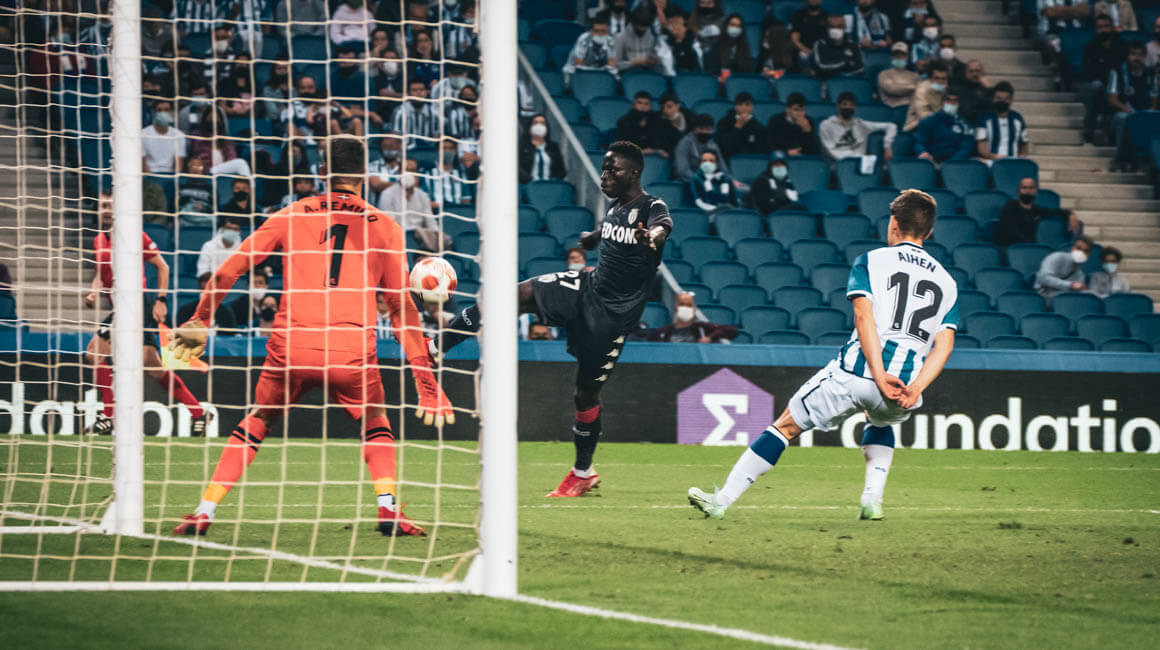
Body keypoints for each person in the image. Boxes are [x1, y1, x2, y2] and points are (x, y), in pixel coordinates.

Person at [169, 135, 453, 538]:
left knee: (259, 418)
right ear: (365, 175)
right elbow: (400, 309)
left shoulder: (291, 213)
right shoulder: (387, 227)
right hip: (351, 351)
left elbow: (230, 269)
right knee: (375, 417)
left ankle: (204, 510)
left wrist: (200, 319)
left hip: (292, 346)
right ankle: (388, 509)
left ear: (322, 172)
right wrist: (426, 383)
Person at [688, 189, 957, 522]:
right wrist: (916, 388)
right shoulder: (947, 282)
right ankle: (872, 500)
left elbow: (863, 317)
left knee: (785, 426)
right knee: (882, 421)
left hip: (857, 372)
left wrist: (877, 374)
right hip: (903, 386)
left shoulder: (872, 260)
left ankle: (722, 500)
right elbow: (944, 344)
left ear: (893, 223)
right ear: (929, 231)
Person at [433, 141, 672, 498]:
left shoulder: (651, 206)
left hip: (610, 318)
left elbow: (662, 226)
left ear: (634, 173)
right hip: (586, 288)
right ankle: (434, 348)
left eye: (613, 170)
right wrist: (592, 238)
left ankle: (583, 472)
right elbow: (610, 232)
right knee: (512, 295)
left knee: (585, 394)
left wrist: (652, 236)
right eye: (604, 169)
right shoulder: (615, 207)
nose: (605, 176)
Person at [83, 190, 211, 436]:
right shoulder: (99, 241)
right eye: (102, 206)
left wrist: (161, 300)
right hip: (120, 307)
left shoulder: (135, 236)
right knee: (151, 367)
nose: (106, 211)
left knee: (96, 353)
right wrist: (94, 291)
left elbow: (163, 267)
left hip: (137, 303)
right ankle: (198, 413)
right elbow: (101, 276)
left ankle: (109, 415)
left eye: (110, 206)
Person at [1106, 42, 1158, 171]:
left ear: (1145, 57)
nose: (1136, 58)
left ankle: (1150, 162)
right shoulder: (1117, 72)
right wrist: (1128, 111)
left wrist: (1148, 112)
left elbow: (1154, 99)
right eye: (1133, 54)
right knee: (1124, 118)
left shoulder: (1151, 74)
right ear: (1128, 56)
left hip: (1142, 114)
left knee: (1153, 117)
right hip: (1123, 113)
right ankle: (1121, 160)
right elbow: (1112, 99)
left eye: (1140, 55)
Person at [378, 160, 449, 252]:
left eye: (412, 171)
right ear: (399, 172)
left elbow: (431, 223)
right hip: (397, 241)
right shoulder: (387, 194)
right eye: (405, 170)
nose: (409, 174)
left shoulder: (423, 195)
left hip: (421, 242)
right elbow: (388, 226)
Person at [994, 177, 1082, 248]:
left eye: (1031, 188)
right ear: (1019, 191)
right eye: (1024, 188)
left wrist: (1070, 214)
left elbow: (1055, 212)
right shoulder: (1010, 207)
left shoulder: (1036, 210)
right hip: (1011, 249)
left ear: (1036, 191)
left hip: (1030, 248)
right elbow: (1012, 232)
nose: (1028, 191)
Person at [1081, 14, 1128, 144]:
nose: (1103, 30)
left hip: (1119, 85)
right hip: (1099, 85)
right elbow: (1089, 73)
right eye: (1099, 27)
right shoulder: (1090, 47)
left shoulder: (1122, 46)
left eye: (1106, 26)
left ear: (1112, 27)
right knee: (1094, 88)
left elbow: (1124, 69)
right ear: (1096, 29)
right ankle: (1088, 132)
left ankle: (1113, 135)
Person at [820, 92, 897, 162]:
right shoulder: (826, 125)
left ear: (855, 108)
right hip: (839, 164)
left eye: (851, 105)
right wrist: (850, 160)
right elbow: (829, 150)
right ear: (838, 107)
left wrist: (887, 145)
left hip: (861, 163)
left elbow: (891, 126)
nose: (848, 107)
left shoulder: (861, 124)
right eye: (845, 104)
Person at [913, 89, 974, 163]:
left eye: (955, 101)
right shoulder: (928, 122)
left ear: (959, 104)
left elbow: (966, 148)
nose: (951, 103)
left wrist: (949, 164)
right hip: (931, 162)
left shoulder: (965, 124)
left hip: (956, 163)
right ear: (942, 103)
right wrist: (922, 152)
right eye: (948, 100)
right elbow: (919, 142)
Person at [648, 291, 738, 342]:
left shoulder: (702, 328)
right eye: (681, 304)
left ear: (694, 309)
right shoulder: (663, 332)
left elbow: (731, 330)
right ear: (676, 308)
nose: (685, 308)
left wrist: (710, 337)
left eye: (689, 305)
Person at [976, 82, 1029, 162]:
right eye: (998, 98)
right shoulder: (984, 118)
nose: (1002, 101)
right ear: (993, 98)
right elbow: (981, 147)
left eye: (1006, 99)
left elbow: (1024, 143)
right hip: (991, 163)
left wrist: (1021, 157)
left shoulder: (1018, 118)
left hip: (1012, 163)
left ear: (1011, 100)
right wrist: (995, 157)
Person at [614, 6, 673, 77]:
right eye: (640, 27)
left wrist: (656, 61)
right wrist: (633, 63)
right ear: (633, 23)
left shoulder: (653, 36)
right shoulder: (620, 37)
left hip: (649, 74)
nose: (643, 30)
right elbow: (616, 65)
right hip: (628, 75)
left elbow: (661, 64)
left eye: (645, 27)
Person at [673, 113, 729, 182]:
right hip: (687, 181)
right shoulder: (684, 144)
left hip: (709, 181)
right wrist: (702, 180)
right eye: (701, 129)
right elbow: (682, 171)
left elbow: (722, 168)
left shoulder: (713, 145)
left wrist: (730, 180)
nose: (705, 132)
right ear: (695, 129)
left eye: (708, 129)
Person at [1035, 236, 1093, 303]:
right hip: (1043, 296)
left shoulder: (1080, 275)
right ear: (1073, 248)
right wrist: (1070, 285)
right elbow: (1043, 278)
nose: (1081, 252)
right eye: (1078, 248)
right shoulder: (1057, 257)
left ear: (1088, 255)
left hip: (1065, 301)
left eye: (1086, 251)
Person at [564, 11, 618, 80]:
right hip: (576, 71)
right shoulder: (583, 39)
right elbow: (579, 64)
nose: (600, 34)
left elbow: (612, 65)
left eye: (603, 31)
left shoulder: (610, 41)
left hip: (599, 72)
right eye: (596, 31)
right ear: (591, 31)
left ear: (608, 31)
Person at [716, 91, 768, 160]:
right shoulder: (724, 122)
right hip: (730, 160)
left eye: (747, 104)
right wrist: (737, 126)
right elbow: (725, 147)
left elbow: (762, 150)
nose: (744, 108)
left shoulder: (758, 126)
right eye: (740, 104)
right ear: (735, 107)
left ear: (752, 107)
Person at [519, 114, 568, 183]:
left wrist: (553, 180)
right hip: (527, 185)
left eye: (542, 123)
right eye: (535, 123)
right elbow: (517, 168)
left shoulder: (553, 147)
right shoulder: (522, 146)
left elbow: (561, 170)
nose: (539, 126)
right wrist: (530, 180)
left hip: (549, 185)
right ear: (529, 127)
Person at [813, 14, 864, 79]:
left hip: (848, 80)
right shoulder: (820, 44)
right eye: (832, 27)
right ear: (827, 28)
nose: (836, 29)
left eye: (839, 27)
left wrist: (837, 67)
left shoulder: (853, 45)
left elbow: (860, 68)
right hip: (827, 81)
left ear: (844, 28)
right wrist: (845, 62)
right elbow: (822, 66)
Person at [142, 99, 185, 175]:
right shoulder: (143, 134)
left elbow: (179, 165)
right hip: (150, 176)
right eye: (159, 110)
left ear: (172, 112)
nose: (163, 113)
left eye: (166, 110)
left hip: (170, 176)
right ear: (154, 113)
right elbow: (142, 164)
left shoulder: (179, 135)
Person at [616, 91, 667, 156]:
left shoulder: (657, 120)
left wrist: (655, 150)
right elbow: (624, 145)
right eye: (639, 103)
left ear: (650, 106)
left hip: (652, 154)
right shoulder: (623, 121)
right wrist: (641, 151)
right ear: (633, 105)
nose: (643, 106)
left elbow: (660, 141)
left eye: (646, 104)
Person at [904, 63, 948, 131]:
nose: (940, 81)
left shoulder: (947, 89)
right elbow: (924, 116)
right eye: (937, 78)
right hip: (916, 126)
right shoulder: (921, 90)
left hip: (941, 124)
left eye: (943, 79)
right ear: (930, 78)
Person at [791, 0, 830, 70]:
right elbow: (795, 40)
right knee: (803, 57)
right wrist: (808, 51)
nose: (814, 0)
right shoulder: (798, 15)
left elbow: (831, 39)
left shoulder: (827, 16)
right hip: (804, 51)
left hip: (822, 51)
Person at [879, 41, 920, 108]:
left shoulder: (915, 76)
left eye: (902, 55)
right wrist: (914, 87)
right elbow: (892, 89)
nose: (899, 57)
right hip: (889, 109)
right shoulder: (884, 74)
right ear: (892, 56)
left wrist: (900, 86)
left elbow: (920, 92)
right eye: (896, 55)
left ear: (907, 57)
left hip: (908, 109)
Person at [955, 60, 993, 125]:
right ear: (966, 74)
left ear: (982, 73)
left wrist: (988, 89)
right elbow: (967, 112)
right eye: (971, 71)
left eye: (977, 71)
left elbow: (994, 109)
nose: (974, 74)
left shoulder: (987, 89)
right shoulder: (959, 90)